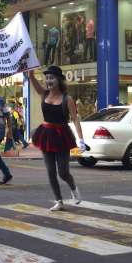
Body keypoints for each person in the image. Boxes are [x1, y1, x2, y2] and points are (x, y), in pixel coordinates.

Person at [25, 66, 86, 211]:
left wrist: (81, 139)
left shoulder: (67, 98)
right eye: (47, 78)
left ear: (59, 80)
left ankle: (73, 188)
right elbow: (34, 83)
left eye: (52, 78)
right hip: (46, 134)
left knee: (63, 172)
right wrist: (31, 75)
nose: (48, 81)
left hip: (61, 136)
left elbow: (75, 119)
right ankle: (59, 201)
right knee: (50, 171)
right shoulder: (44, 94)